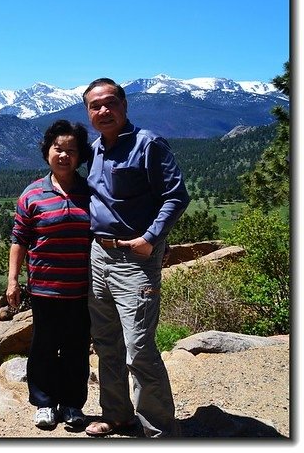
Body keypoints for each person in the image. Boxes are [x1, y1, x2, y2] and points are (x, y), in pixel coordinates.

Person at [81, 78, 190, 438]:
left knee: (139, 347)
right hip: (99, 256)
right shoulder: (95, 149)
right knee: (107, 341)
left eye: (110, 103)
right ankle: (117, 415)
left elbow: (176, 196)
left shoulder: (148, 143)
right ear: (88, 113)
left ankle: (158, 431)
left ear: (125, 106)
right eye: (95, 106)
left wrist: (150, 238)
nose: (103, 111)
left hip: (134, 258)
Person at [7, 119, 93, 430]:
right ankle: (44, 403)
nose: (64, 155)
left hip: (82, 288)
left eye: (71, 150)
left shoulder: (91, 192)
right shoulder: (32, 195)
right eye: (58, 149)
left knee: (76, 348)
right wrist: (13, 281)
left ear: (80, 156)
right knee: (43, 347)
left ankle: (71, 404)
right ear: (47, 152)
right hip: (44, 289)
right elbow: (19, 239)